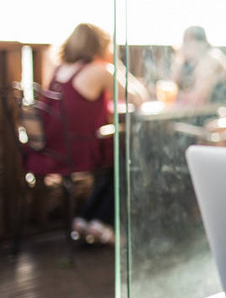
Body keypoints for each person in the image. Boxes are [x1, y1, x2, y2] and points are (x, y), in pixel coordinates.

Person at [29, 23, 149, 244]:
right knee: (127, 161)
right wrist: (116, 64)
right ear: (102, 45)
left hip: (49, 149)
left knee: (115, 160)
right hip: (77, 151)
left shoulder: (61, 68)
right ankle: (101, 221)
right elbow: (138, 97)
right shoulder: (100, 69)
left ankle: (86, 218)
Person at [170, 26, 226, 106]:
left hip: (220, 112)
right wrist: (179, 60)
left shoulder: (211, 58)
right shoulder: (188, 59)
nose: (186, 45)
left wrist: (175, 95)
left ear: (201, 43)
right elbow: (171, 86)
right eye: (185, 41)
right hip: (201, 110)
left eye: (190, 41)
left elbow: (199, 97)